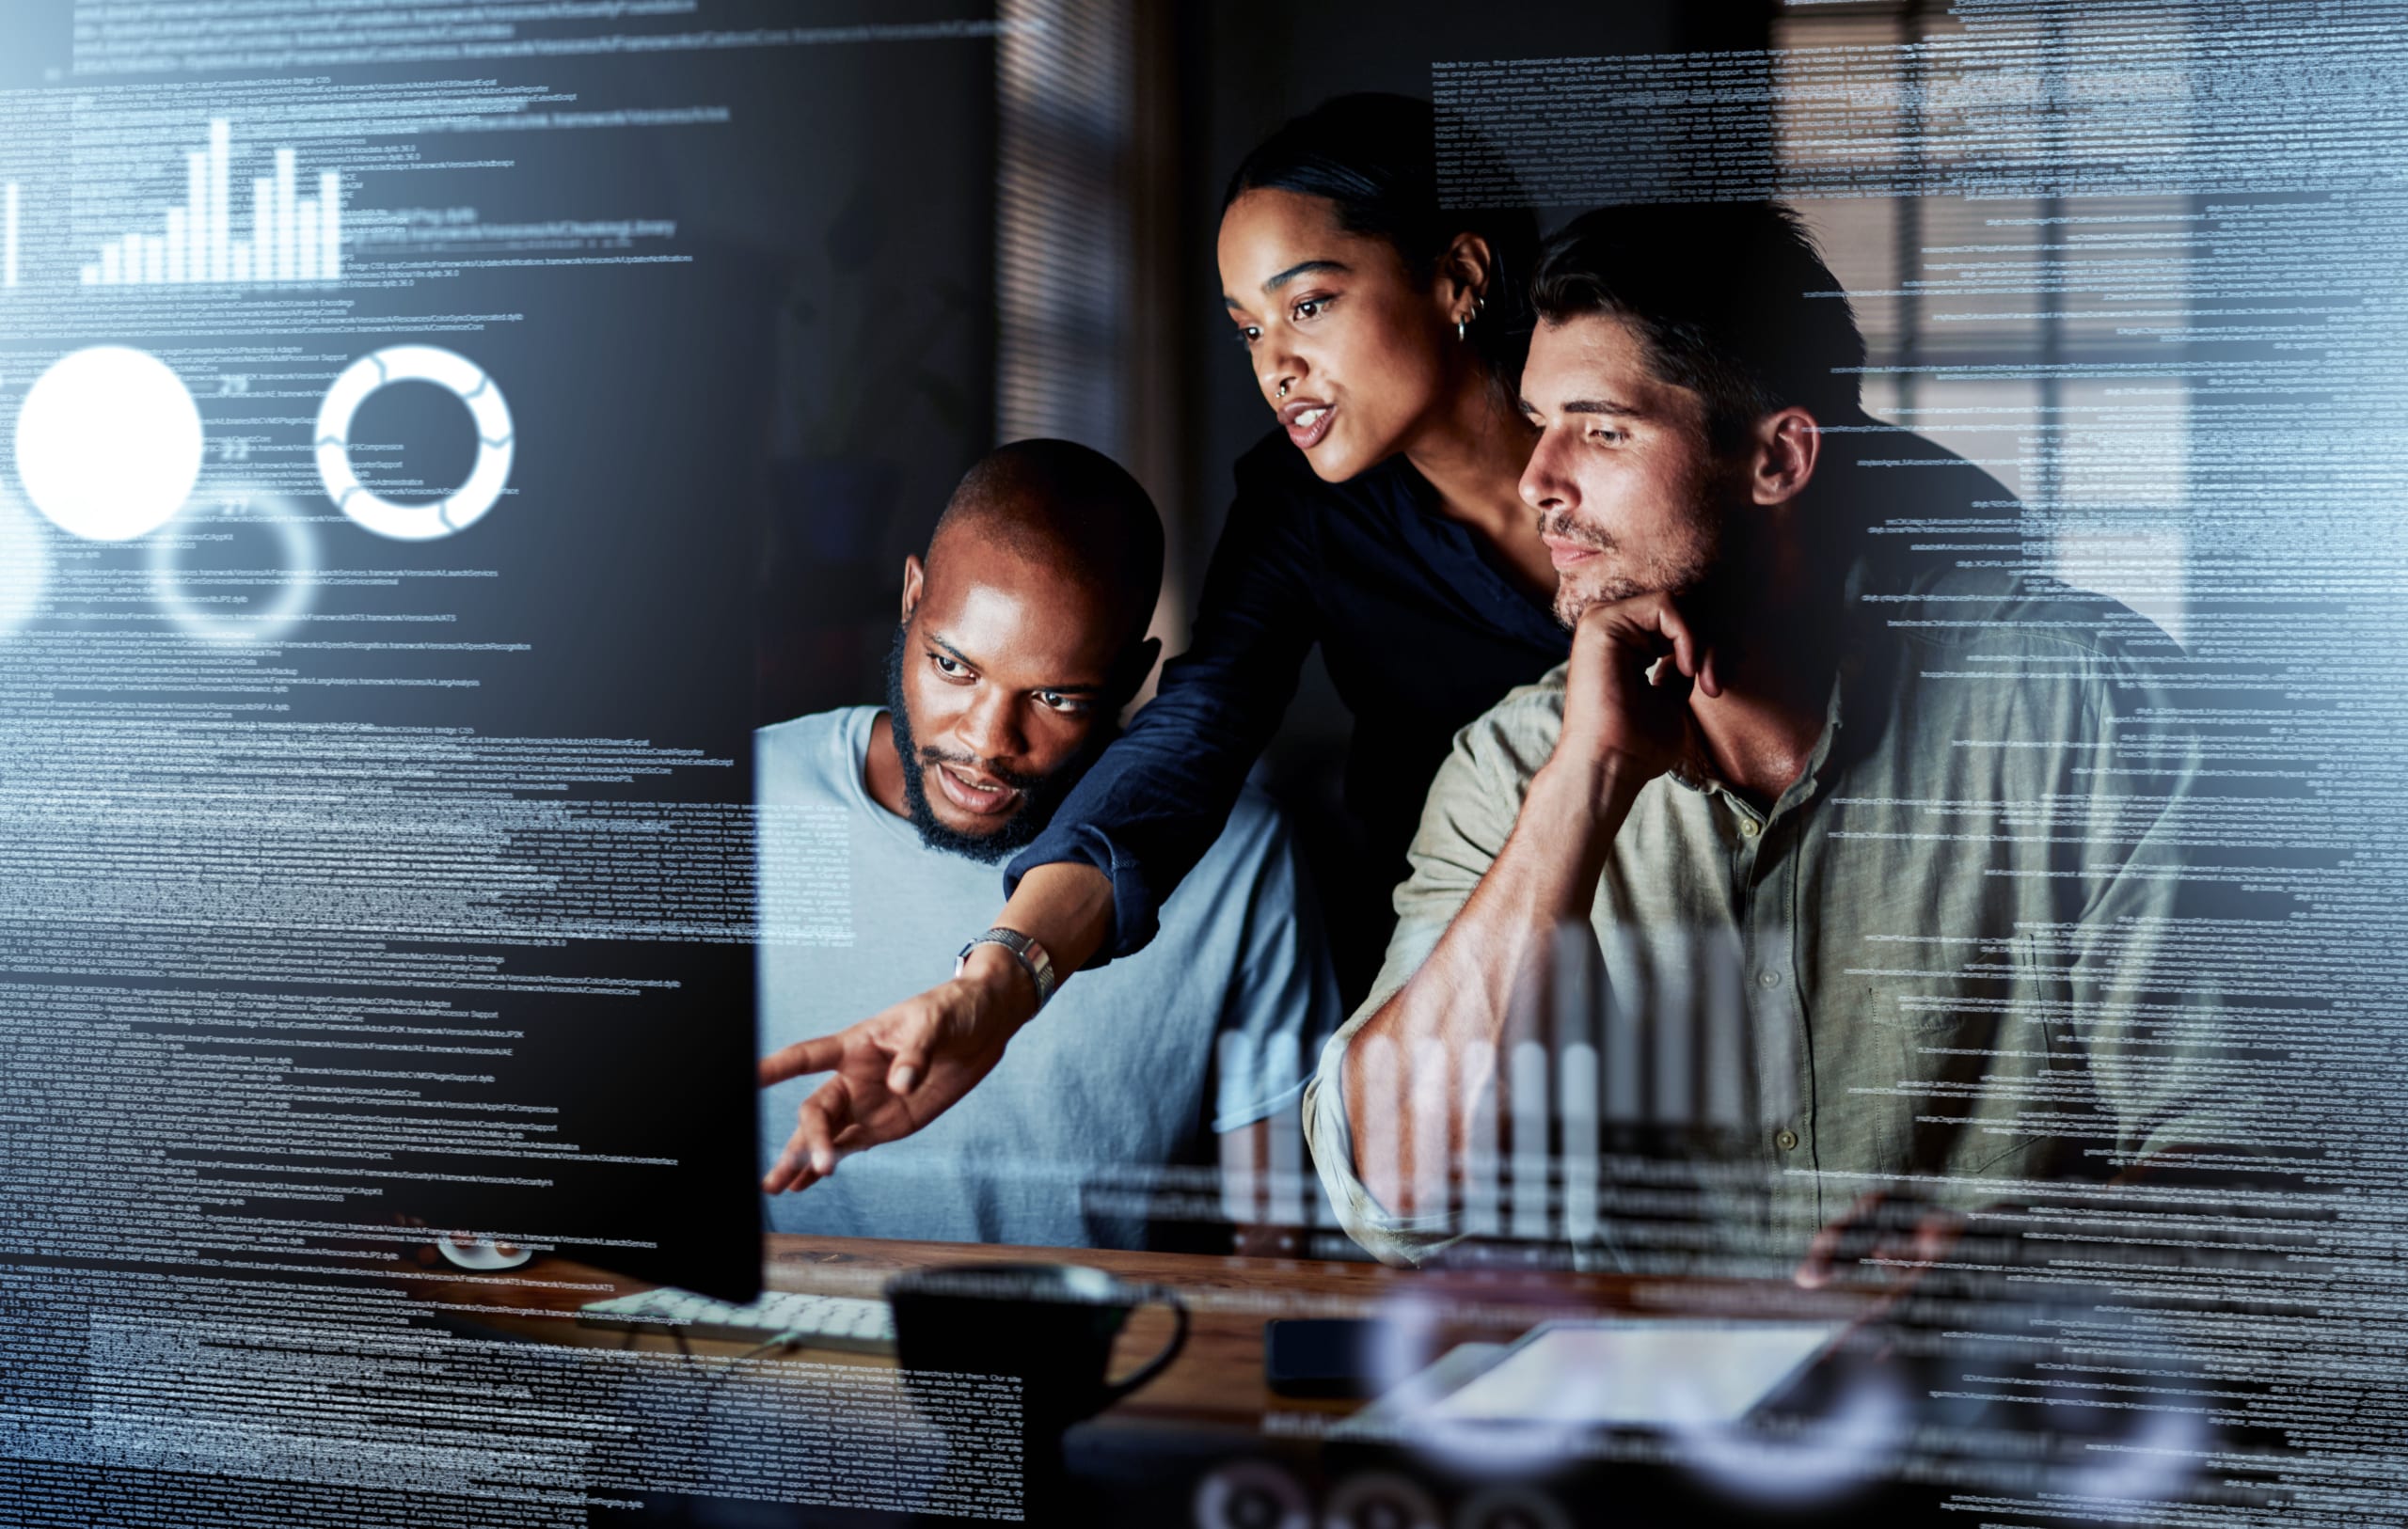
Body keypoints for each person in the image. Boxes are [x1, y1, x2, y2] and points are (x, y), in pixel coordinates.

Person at [1301, 203, 2224, 1278]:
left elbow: (2257, 1148)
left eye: (1600, 430)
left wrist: (2010, 1268)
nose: (1537, 481)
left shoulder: (2086, 708)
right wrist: (1585, 786)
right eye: (1538, 422)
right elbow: (1395, 1196)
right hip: (1649, 1430)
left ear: (1778, 459)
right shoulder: (1516, 767)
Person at [766, 94, 1571, 1176]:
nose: (1273, 365)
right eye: (1248, 327)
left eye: (1311, 305)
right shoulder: (1303, 509)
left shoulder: (1656, 444)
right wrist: (997, 985)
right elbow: (1199, 727)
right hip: (1473, 966)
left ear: (1460, 277)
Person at [754, 439, 1339, 1251]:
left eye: (1056, 697)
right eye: (953, 665)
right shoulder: (744, 800)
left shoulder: (1239, 855)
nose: (988, 742)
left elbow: (1274, 1237)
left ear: (1136, 677)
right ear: (911, 596)